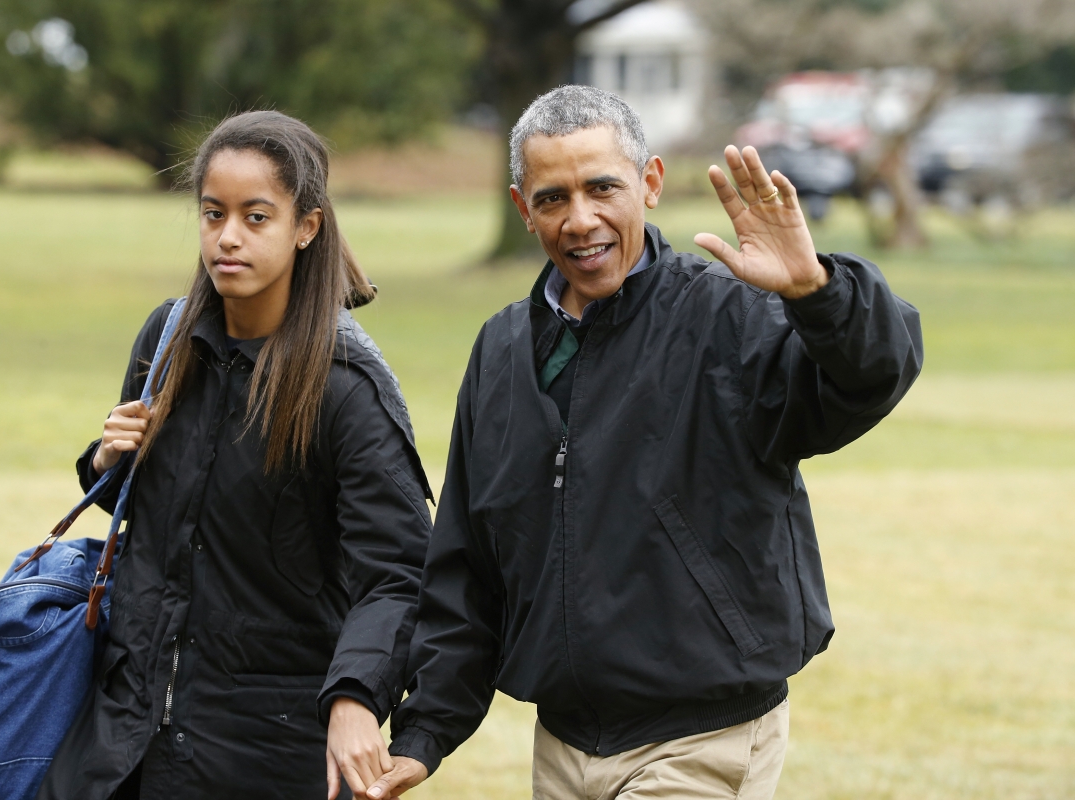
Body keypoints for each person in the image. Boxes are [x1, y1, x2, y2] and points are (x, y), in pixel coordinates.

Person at [368, 85, 924, 800]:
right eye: (552, 198)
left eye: (603, 188)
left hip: (705, 739)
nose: (580, 219)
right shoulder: (502, 350)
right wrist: (423, 735)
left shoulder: (733, 317)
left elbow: (875, 372)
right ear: (522, 209)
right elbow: (467, 567)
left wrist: (815, 292)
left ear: (651, 182)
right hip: (564, 745)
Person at [36, 110, 433, 800]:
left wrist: (355, 695)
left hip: (265, 752)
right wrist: (104, 462)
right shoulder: (167, 338)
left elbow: (400, 573)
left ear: (306, 226)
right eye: (212, 213)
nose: (227, 237)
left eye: (256, 218)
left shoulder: (345, 386)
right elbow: (153, 512)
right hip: (120, 740)